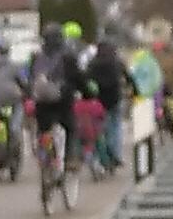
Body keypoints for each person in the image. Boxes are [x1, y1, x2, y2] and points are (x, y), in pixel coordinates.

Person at [22, 23, 89, 174]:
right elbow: (79, 78)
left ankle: (44, 159)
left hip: (42, 100)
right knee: (71, 128)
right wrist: (86, 92)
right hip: (63, 100)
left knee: (43, 130)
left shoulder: (36, 56)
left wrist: (28, 96)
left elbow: (30, 79)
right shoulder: (68, 56)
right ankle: (71, 159)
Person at [87, 38, 131, 170]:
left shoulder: (93, 63)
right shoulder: (117, 62)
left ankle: (99, 156)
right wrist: (134, 90)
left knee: (99, 129)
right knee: (115, 127)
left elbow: (86, 79)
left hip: (98, 102)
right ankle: (116, 154)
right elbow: (128, 77)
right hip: (115, 99)